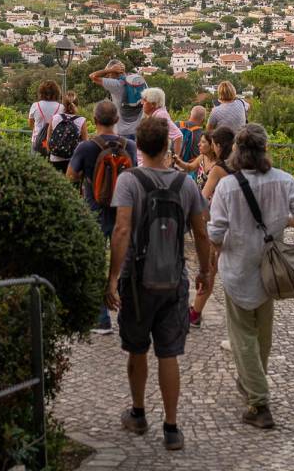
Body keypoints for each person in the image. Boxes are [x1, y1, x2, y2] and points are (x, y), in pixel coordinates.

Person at [106, 116, 211, 452]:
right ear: (168, 146)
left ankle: (138, 414)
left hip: (136, 279)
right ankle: (171, 427)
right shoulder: (187, 185)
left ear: (141, 146)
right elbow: (202, 232)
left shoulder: (129, 181)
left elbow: (121, 230)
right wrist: (205, 272)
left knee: (137, 349)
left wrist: (111, 278)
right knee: (169, 354)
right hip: (174, 278)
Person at [207, 124, 294, 429]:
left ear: (237, 152)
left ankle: (259, 402)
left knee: (242, 335)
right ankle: (252, 383)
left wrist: (213, 258)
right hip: (271, 269)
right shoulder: (283, 180)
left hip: (238, 268)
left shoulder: (227, 188)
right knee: (263, 334)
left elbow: (215, 233)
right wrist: (282, 223)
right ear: (265, 149)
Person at [68, 100, 138, 334]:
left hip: (94, 209)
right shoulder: (129, 146)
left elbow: (70, 175)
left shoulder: (86, 148)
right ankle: (127, 315)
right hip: (123, 212)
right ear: (117, 120)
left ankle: (101, 318)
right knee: (125, 264)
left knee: (96, 263)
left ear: (95, 121)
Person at [188, 126, 237, 328]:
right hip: (239, 224)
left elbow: (203, 198)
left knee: (209, 271)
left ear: (217, 146)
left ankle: (195, 313)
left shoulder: (218, 168)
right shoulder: (242, 166)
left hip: (218, 223)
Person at [90, 59, 147, 140]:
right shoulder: (139, 80)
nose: (108, 76)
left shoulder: (116, 85)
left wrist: (109, 70)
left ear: (114, 71)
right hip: (139, 130)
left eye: (109, 74)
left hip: (122, 133)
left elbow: (93, 76)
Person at [45, 91, 88, 172]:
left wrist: (50, 154)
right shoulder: (81, 120)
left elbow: (48, 139)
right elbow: (85, 143)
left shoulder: (55, 118)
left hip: (55, 158)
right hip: (72, 160)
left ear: (63, 104)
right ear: (77, 104)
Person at [141, 87, 183, 158]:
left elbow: (178, 136)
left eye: (145, 100)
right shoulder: (156, 114)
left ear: (153, 104)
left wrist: (176, 160)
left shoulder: (160, 115)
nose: (142, 103)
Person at [28, 80, 64, 156]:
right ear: (56, 93)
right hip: (55, 142)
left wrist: (37, 130)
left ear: (41, 93)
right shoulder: (61, 107)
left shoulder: (35, 105)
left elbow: (30, 123)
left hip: (37, 141)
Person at [171, 106, 207, 175]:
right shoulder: (201, 135)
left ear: (190, 115)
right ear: (203, 119)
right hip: (186, 172)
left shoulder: (176, 124)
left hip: (171, 166)